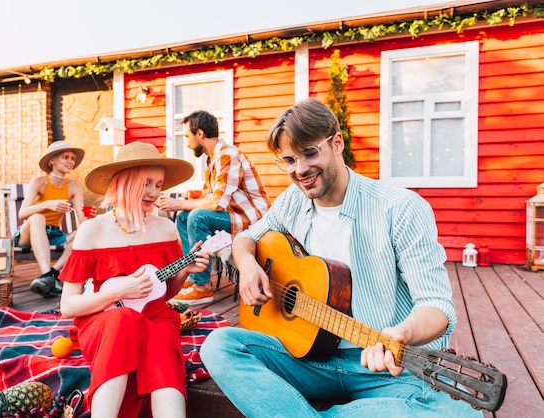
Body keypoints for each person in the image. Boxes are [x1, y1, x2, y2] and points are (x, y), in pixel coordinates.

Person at [200, 98, 481, 417]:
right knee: (219, 345)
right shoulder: (292, 201)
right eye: (289, 160)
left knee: (459, 413)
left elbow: (437, 307)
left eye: (309, 153)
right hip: (307, 358)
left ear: (337, 143)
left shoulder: (401, 208)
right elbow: (246, 238)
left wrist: (400, 333)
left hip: (385, 368)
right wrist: (248, 265)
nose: (300, 169)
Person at [59, 142, 211, 418]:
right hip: (104, 320)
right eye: (147, 183)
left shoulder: (165, 229)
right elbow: (68, 306)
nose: (154, 193)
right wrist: (115, 292)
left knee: (160, 339)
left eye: (159, 185)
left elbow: (161, 294)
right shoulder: (92, 231)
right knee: (124, 319)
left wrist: (184, 272)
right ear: (123, 183)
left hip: (154, 317)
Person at [157, 110, 270, 305]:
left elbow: (216, 203)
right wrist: (183, 204)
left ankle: (202, 287)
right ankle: (192, 275)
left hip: (253, 220)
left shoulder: (228, 155)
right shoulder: (212, 161)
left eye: (187, 136)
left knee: (197, 217)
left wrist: (179, 203)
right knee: (185, 217)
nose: (186, 142)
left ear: (199, 134)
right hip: (234, 215)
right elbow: (207, 197)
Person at [16, 140, 88, 298]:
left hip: (56, 235)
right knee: (37, 218)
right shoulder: (39, 182)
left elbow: (82, 220)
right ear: (52, 160)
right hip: (27, 235)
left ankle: (51, 275)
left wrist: (91, 219)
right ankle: (47, 274)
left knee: (85, 231)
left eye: (72, 158)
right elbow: (22, 214)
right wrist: (47, 204)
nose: (70, 162)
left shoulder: (74, 186)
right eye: (65, 157)